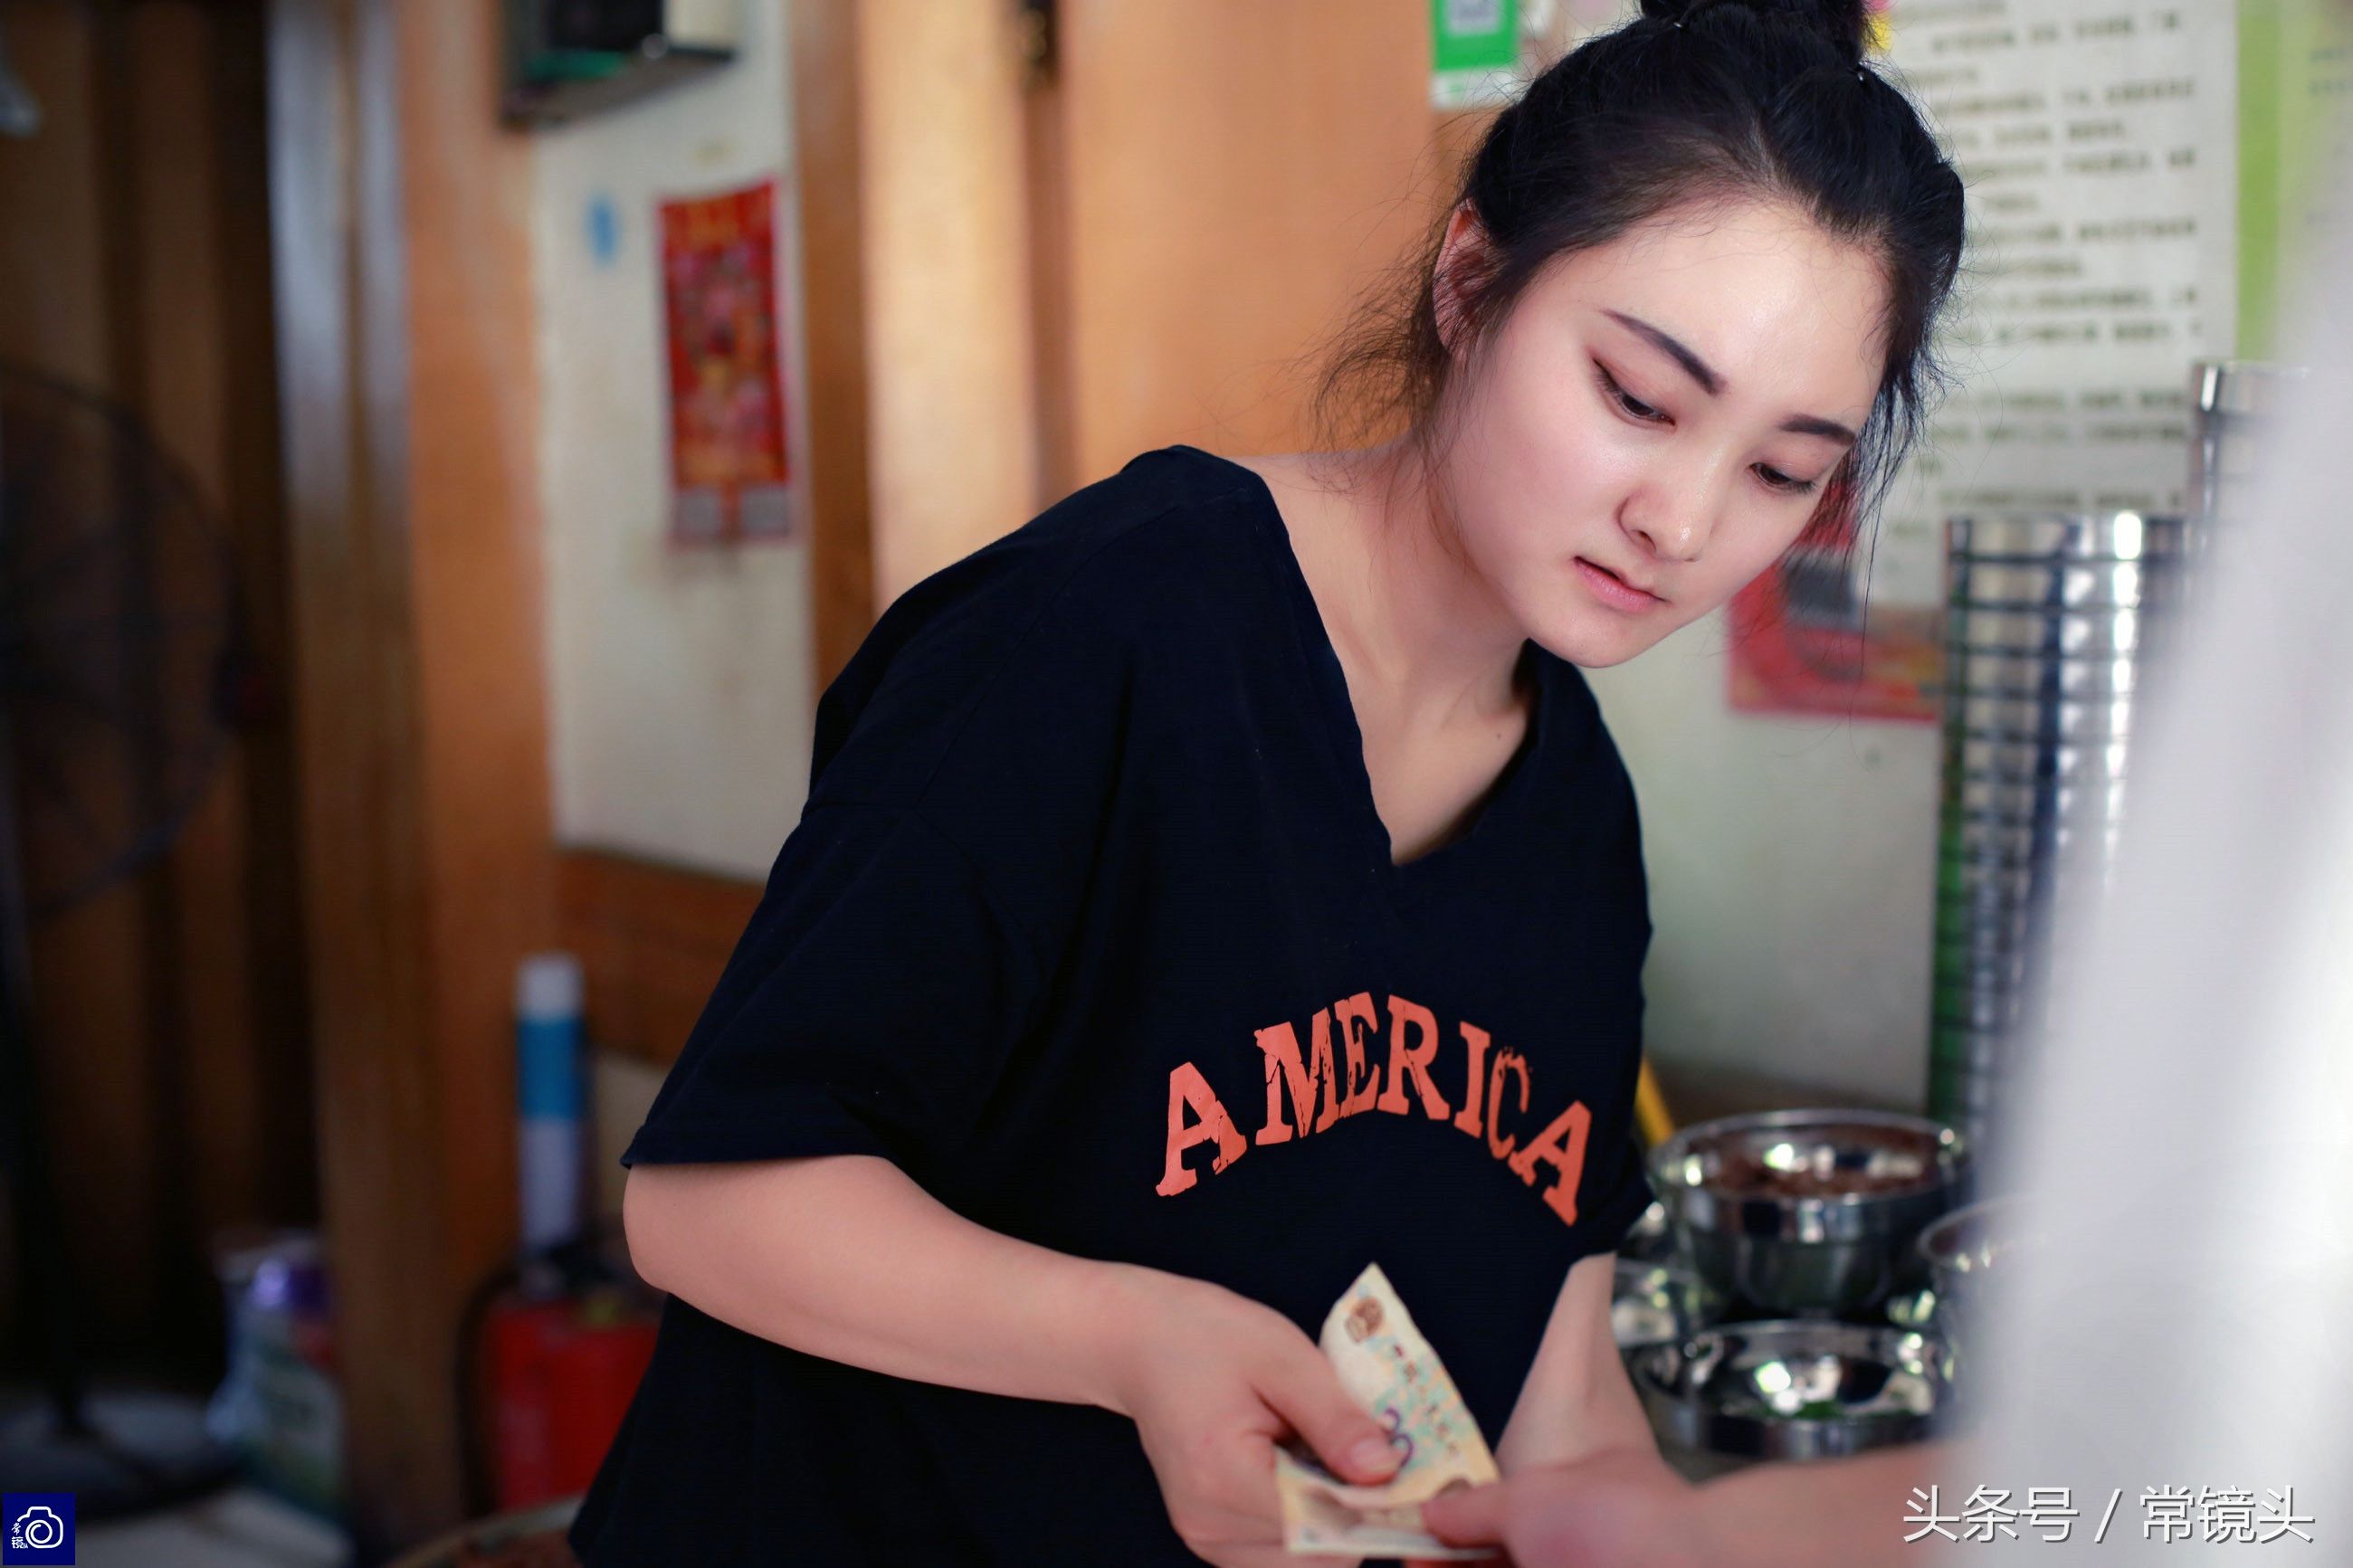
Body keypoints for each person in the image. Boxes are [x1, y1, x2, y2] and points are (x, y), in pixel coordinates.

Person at [566, 1, 1965, 1562]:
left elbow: (1553, 1398)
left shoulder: (1574, 818)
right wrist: (1132, 1339)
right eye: (1639, 398)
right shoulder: (1106, 635)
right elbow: (703, 1203)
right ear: (1471, 280)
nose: (1687, 522)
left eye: (1781, 470)